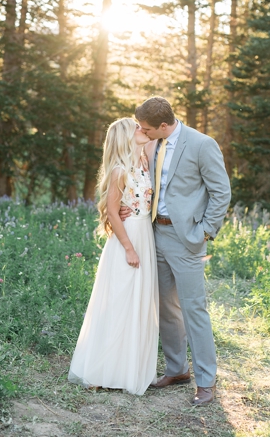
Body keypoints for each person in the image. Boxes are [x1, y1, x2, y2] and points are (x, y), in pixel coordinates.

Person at [135, 96, 231, 407]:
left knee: (194, 309)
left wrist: (205, 231)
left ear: (164, 125)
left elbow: (221, 191)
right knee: (165, 306)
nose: (142, 131)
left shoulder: (202, 144)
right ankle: (177, 369)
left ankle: (206, 380)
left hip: (187, 238)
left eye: (147, 128)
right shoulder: (153, 143)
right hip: (154, 233)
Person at [68, 117, 159, 395]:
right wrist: (129, 247)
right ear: (124, 137)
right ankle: (102, 368)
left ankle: (128, 368)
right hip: (128, 238)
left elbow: (159, 134)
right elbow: (111, 212)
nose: (143, 130)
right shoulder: (120, 171)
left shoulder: (144, 161)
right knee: (119, 300)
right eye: (136, 127)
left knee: (138, 302)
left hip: (145, 234)